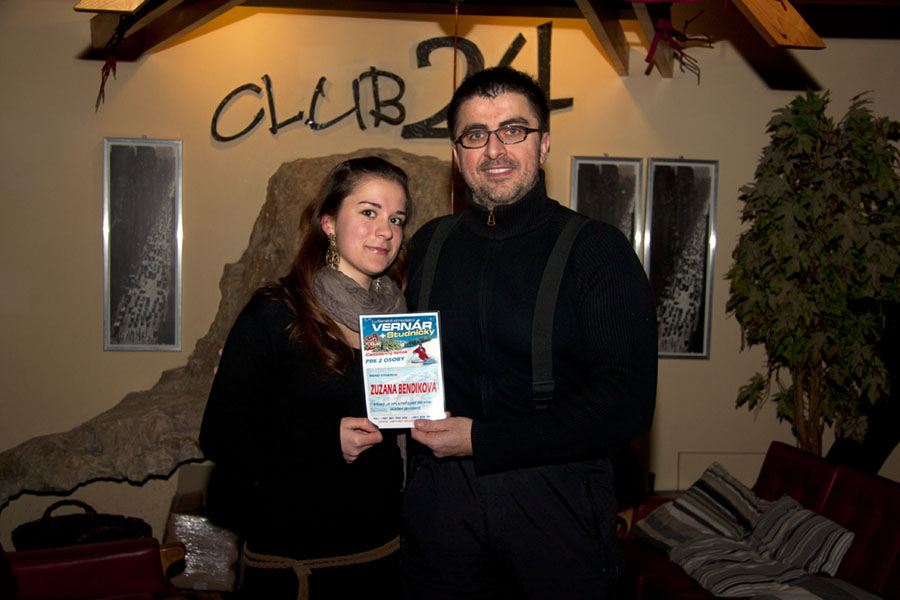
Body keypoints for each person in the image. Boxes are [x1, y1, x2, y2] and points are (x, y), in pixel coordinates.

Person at [401, 66, 658, 599]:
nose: (494, 150)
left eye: (513, 130)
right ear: (457, 154)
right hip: (442, 506)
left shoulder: (597, 250)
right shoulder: (429, 243)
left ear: (543, 145)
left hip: (556, 503)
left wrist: (483, 440)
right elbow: (392, 352)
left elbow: (627, 403)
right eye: (475, 135)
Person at [199, 156, 411, 599]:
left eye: (396, 218)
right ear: (329, 223)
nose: (386, 230)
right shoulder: (276, 312)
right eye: (369, 212)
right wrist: (324, 441)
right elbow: (220, 436)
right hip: (298, 571)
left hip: (386, 559)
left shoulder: (400, 322)